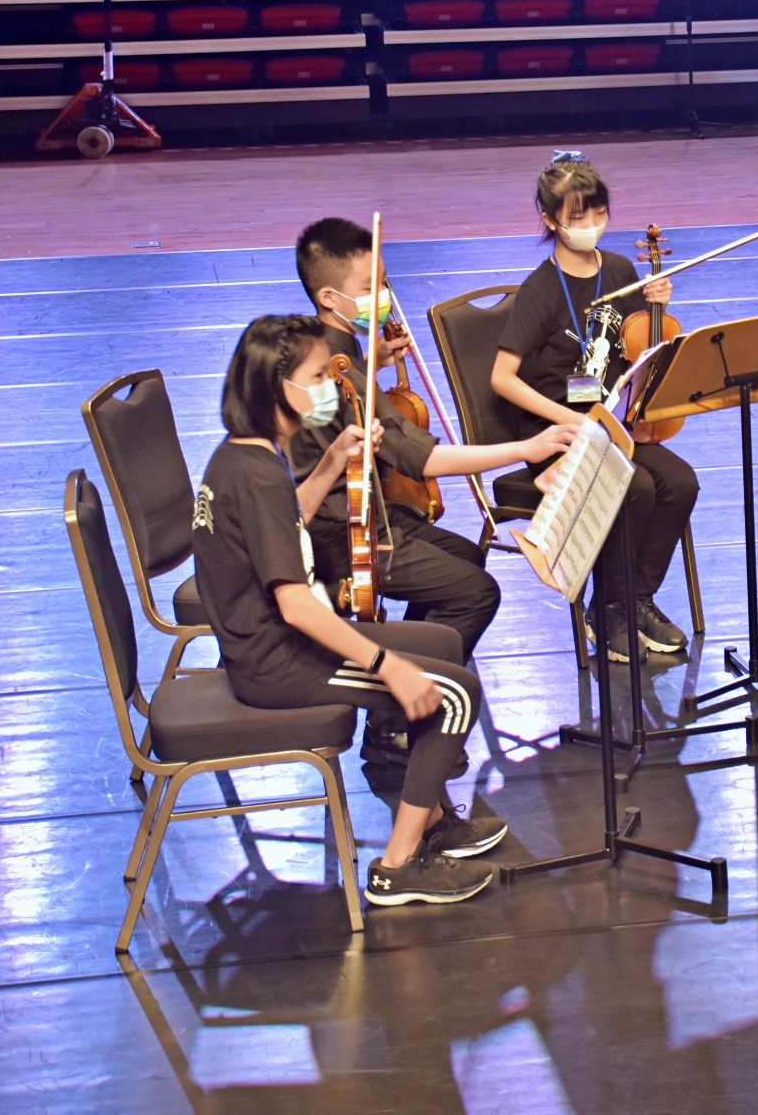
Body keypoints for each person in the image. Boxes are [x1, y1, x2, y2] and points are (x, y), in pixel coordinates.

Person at [193, 315, 572, 905]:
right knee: (455, 693)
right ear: (276, 388)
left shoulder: (245, 454)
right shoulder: (258, 473)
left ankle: (432, 819)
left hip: (271, 642)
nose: (329, 388)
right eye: (318, 377)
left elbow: (288, 519)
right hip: (274, 661)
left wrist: (331, 461)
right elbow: (296, 606)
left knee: (444, 646)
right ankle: (397, 866)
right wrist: (386, 664)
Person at [491, 153, 700, 662]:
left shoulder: (622, 270)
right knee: (635, 486)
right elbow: (501, 378)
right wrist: (570, 419)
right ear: (550, 220)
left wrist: (659, 310)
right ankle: (606, 611)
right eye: (577, 216)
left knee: (681, 482)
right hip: (559, 434)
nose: (591, 224)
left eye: (599, 213)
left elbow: (641, 350)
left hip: (612, 426)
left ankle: (636, 599)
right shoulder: (541, 290)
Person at [291, 217, 507, 662]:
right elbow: (416, 456)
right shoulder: (337, 367)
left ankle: (413, 652)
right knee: (478, 593)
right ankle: (407, 690)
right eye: (370, 287)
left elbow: (347, 380)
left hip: (369, 511)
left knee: (467, 557)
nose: (383, 296)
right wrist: (525, 450)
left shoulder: (334, 347)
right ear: (328, 298)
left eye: (384, 282)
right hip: (337, 532)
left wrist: (373, 360)